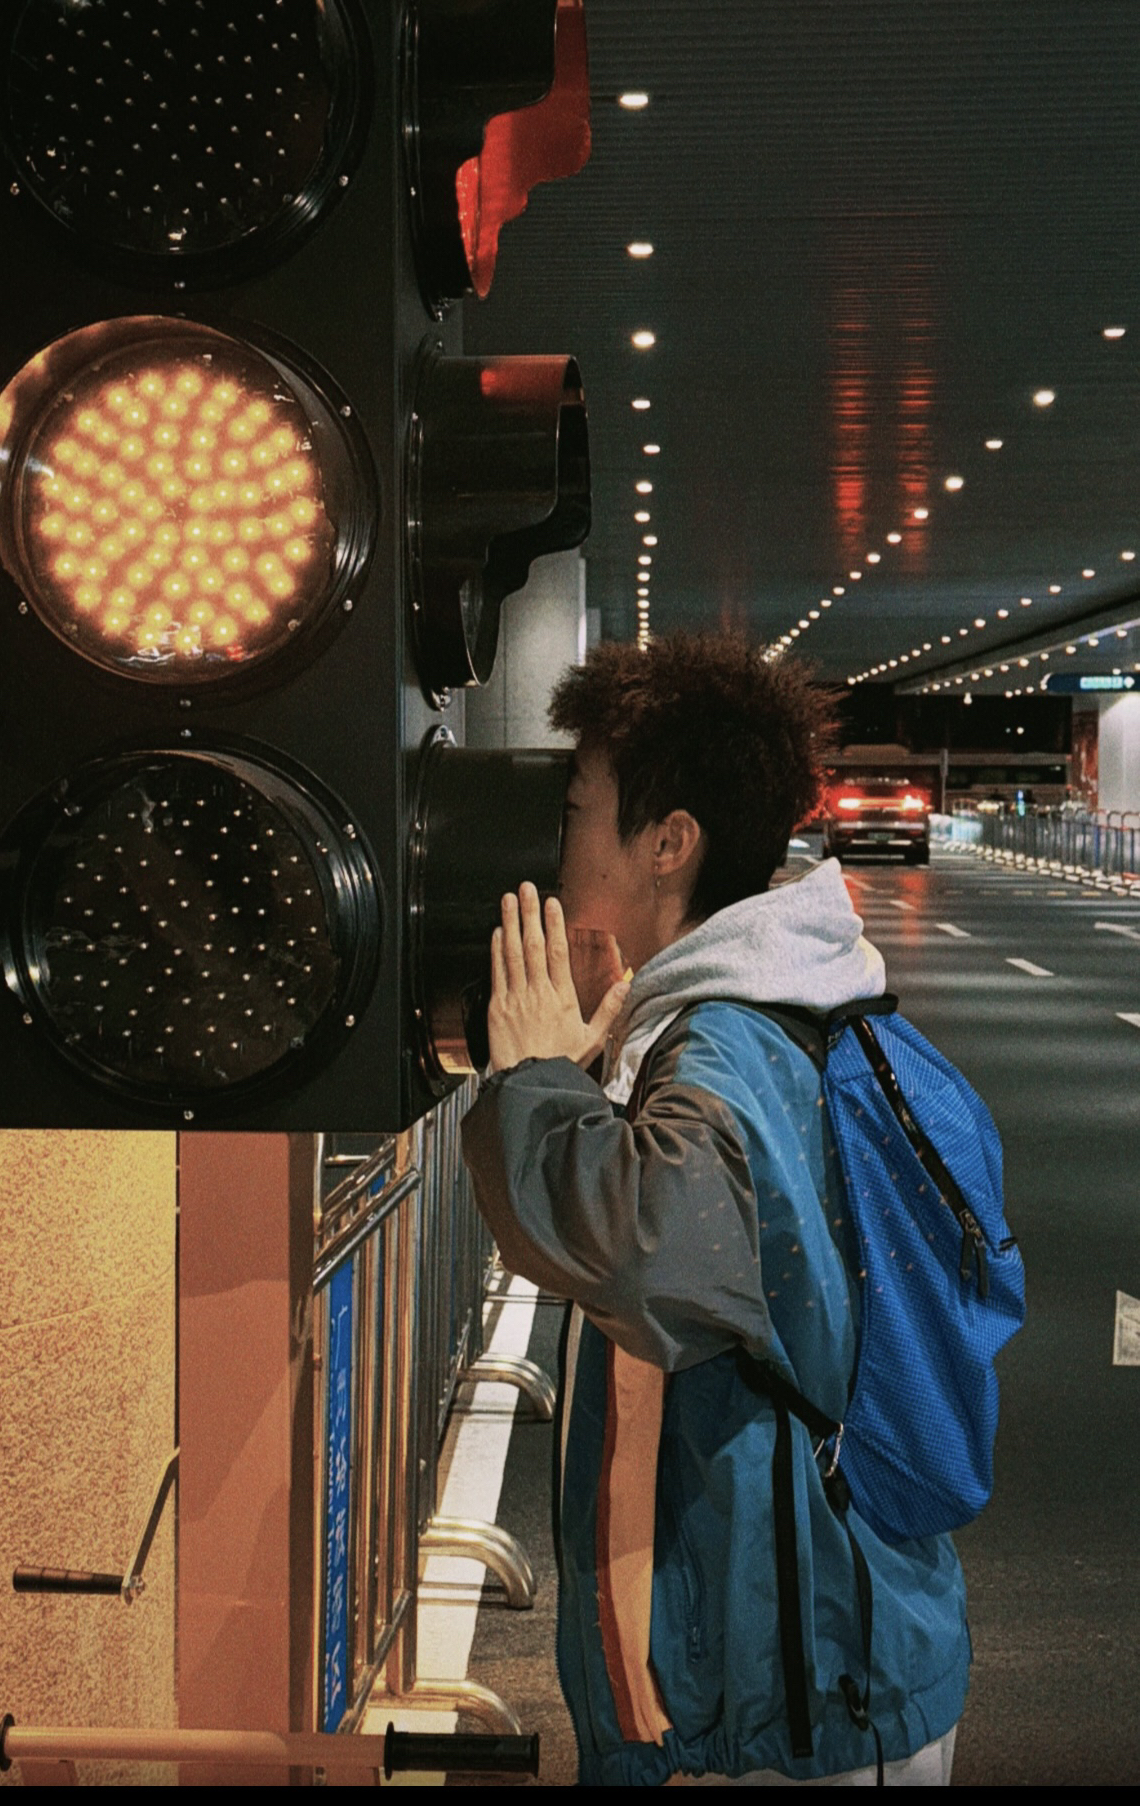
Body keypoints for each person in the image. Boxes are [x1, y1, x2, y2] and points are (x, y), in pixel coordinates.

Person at [460, 631, 969, 1787]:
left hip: (791, 1703)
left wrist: (536, 1082)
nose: (555, 837)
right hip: (808, 1662)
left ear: (668, 843)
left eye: (576, 808)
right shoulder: (767, 1007)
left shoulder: (734, 1044)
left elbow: (649, 1256)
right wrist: (599, 1074)